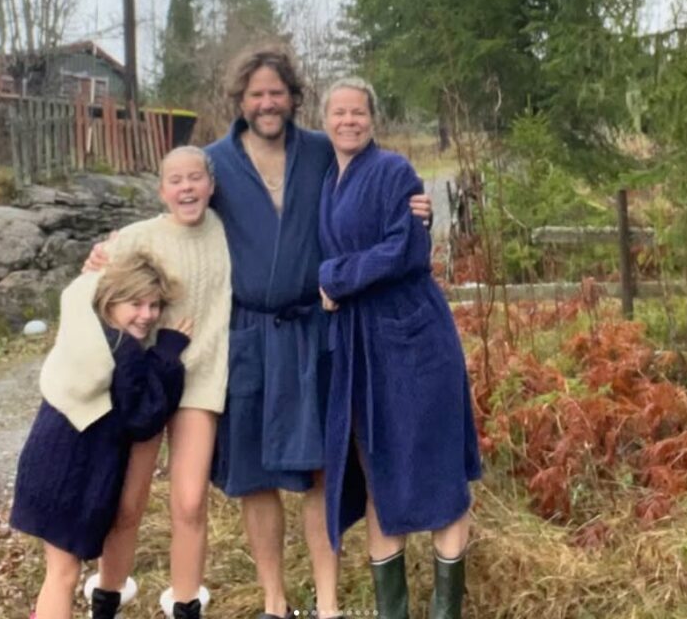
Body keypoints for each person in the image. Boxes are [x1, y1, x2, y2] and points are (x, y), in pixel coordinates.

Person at [88, 47, 430, 619]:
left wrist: (414, 209)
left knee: (322, 470)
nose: (267, 103)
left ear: (293, 97)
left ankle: (327, 605)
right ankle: (275, 602)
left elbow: (371, 190)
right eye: (256, 95)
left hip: (314, 330)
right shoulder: (217, 163)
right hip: (246, 336)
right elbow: (178, 212)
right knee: (254, 477)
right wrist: (113, 247)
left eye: (276, 93)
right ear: (240, 101)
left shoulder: (321, 151)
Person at [317, 77, 481, 619]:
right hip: (362, 349)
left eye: (358, 112)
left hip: (415, 341)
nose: (348, 121)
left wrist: (334, 277)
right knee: (378, 473)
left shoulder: (394, 172)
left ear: (373, 119)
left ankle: (445, 612)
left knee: (439, 472)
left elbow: (406, 250)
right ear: (325, 120)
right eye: (339, 112)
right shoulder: (328, 180)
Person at [85, 146, 231, 619]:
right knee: (128, 502)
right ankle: (107, 597)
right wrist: (96, 260)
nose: (187, 188)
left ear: (211, 185)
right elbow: (94, 289)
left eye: (195, 178)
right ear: (162, 190)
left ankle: (186, 604)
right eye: (176, 180)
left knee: (189, 502)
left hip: (200, 379)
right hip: (146, 384)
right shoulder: (137, 237)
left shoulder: (230, 232)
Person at [10, 251, 192, 619]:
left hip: (43, 470)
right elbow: (142, 418)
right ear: (110, 302)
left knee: (56, 572)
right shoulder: (123, 349)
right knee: (64, 575)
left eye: (154, 305)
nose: (147, 315)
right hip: (72, 481)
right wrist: (167, 354)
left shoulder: (85, 335)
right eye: (135, 304)